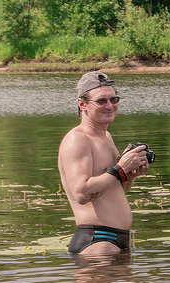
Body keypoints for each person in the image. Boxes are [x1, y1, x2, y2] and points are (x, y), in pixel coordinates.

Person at [57, 71, 151, 256]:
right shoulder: (77, 139)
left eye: (114, 99)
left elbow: (113, 190)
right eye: (101, 101)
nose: (110, 105)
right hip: (97, 242)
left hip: (116, 241)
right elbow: (81, 193)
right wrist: (120, 169)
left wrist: (130, 174)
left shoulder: (106, 136)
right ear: (82, 104)